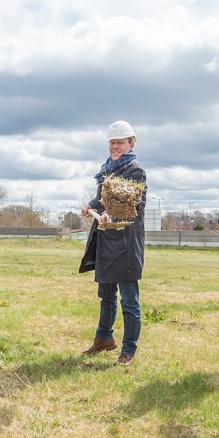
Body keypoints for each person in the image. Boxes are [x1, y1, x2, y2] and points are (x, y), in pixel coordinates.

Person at [79, 120, 147, 365]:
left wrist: (112, 214)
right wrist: (92, 205)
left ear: (131, 144)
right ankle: (104, 338)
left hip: (126, 243)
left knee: (129, 299)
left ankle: (129, 349)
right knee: (106, 295)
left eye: (120, 143)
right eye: (112, 143)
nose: (115, 147)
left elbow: (131, 205)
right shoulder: (107, 170)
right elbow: (103, 200)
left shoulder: (135, 172)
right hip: (107, 241)